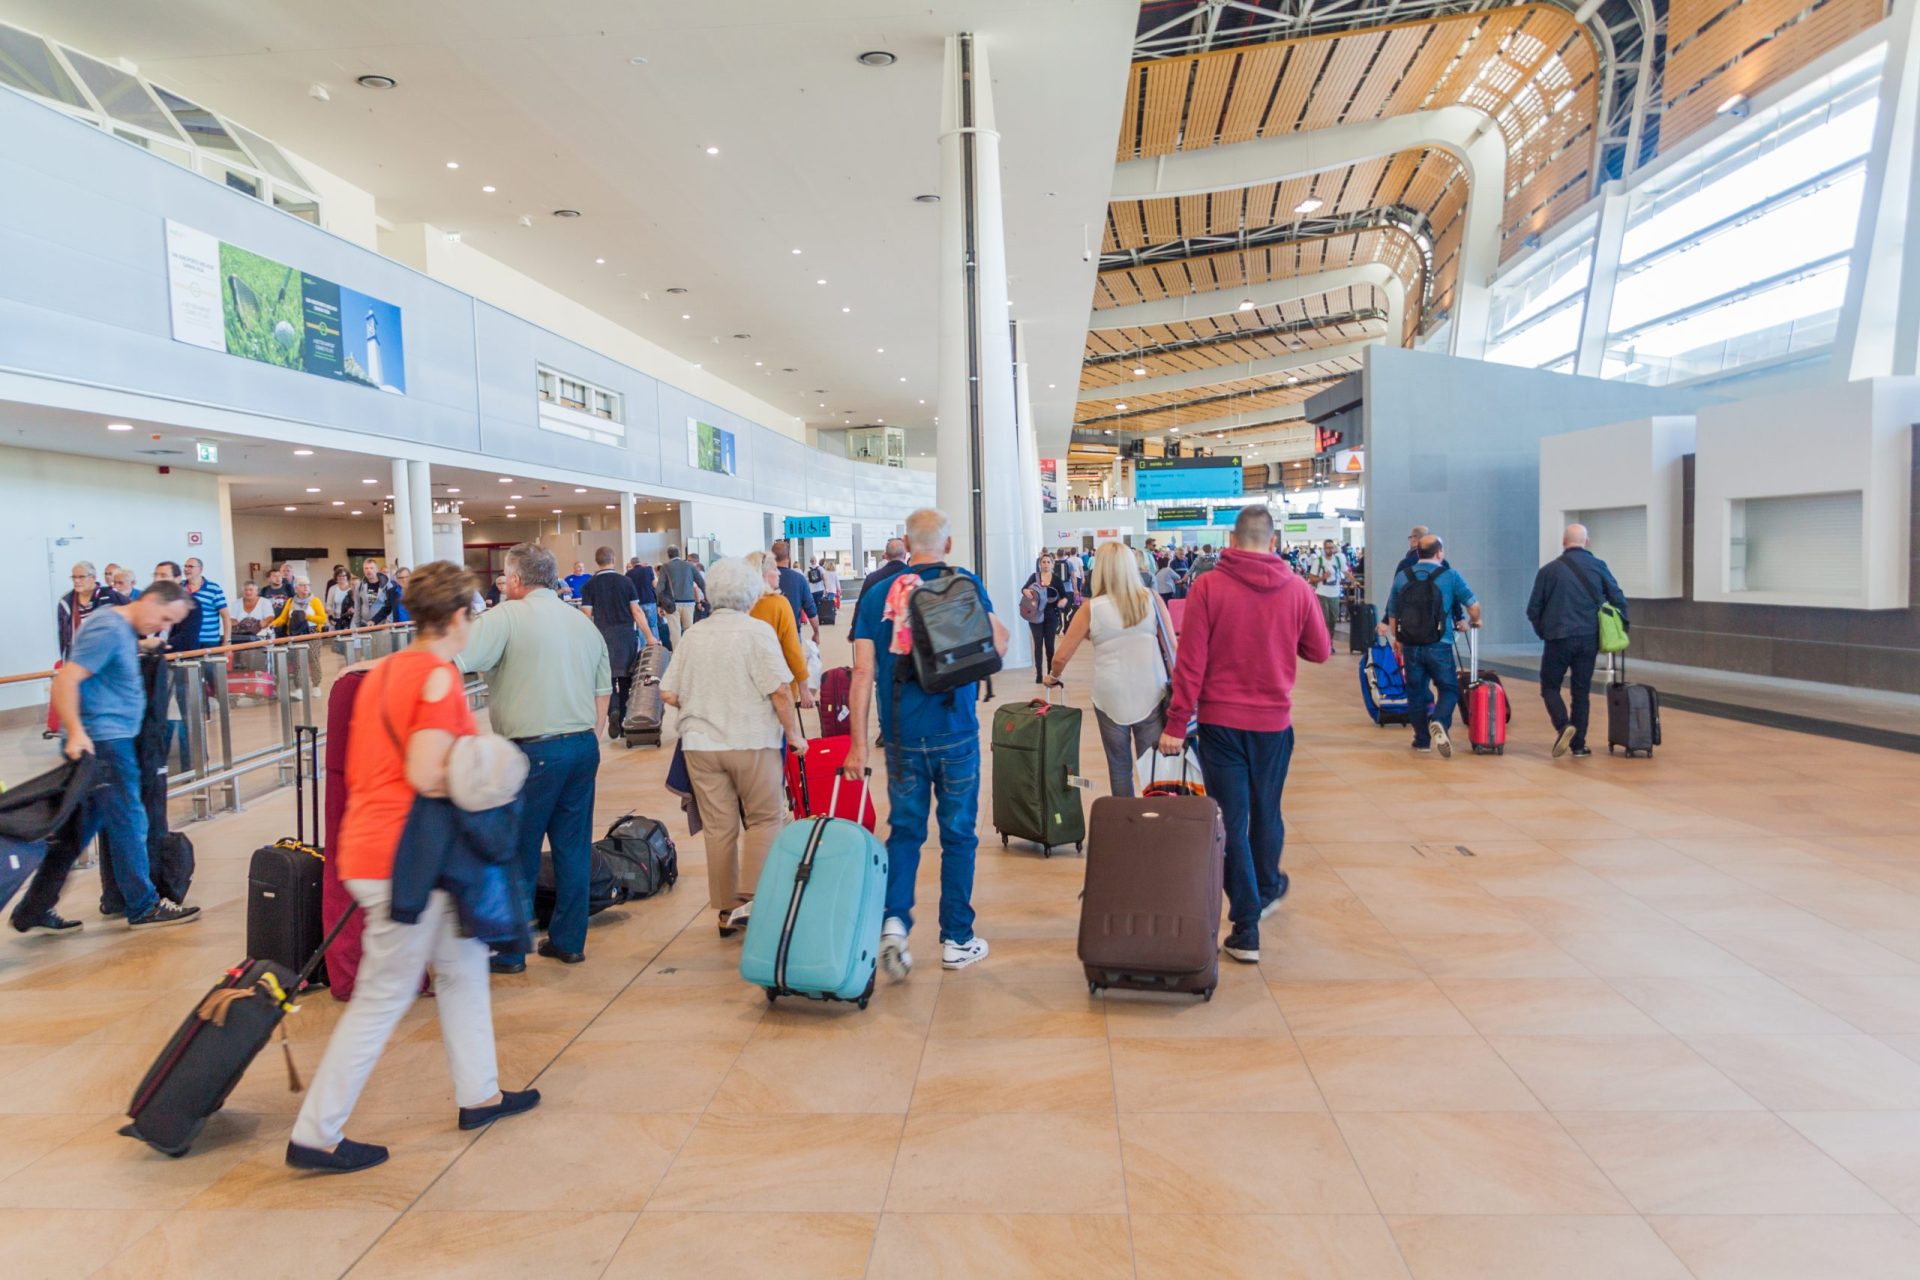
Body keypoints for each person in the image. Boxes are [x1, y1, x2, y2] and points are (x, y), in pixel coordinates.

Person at [286, 561, 539, 1174]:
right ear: (459, 617)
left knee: (462, 967)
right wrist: (488, 764)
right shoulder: (435, 676)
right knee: (382, 996)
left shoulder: (385, 669)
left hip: (385, 850)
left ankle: (480, 1093)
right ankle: (316, 1133)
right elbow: (428, 773)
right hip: (408, 858)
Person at [1158, 505, 1330, 964]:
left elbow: (1190, 663)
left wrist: (1177, 723)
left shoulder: (1207, 587)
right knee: (1267, 812)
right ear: (1273, 541)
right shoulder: (1296, 588)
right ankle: (1268, 885)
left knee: (1231, 819)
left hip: (1220, 725)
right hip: (1273, 724)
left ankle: (1247, 927)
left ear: (1232, 541)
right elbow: (1321, 650)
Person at [846, 507, 1009, 978]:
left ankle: (894, 923)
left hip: (900, 735)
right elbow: (998, 642)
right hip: (955, 729)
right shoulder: (964, 583)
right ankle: (957, 938)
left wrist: (858, 745)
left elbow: (862, 672)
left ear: (905, 542)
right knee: (959, 835)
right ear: (948, 545)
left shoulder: (877, 594)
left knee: (906, 831)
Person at [457, 542, 610, 971]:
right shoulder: (582, 623)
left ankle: (508, 951)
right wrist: (588, 741)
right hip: (581, 746)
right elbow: (603, 692)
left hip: (533, 751)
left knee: (516, 850)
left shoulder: (504, 616)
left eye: (506, 578)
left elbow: (455, 660)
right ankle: (568, 941)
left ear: (517, 581)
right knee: (573, 849)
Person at [16, 579, 200, 933]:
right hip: (103, 745)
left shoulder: (118, 629)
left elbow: (106, 666)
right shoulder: (108, 627)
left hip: (105, 742)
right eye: (162, 617)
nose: (162, 626)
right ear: (147, 601)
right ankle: (143, 905)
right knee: (130, 820)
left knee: (74, 834)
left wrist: (143, 646)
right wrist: (77, 732)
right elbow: (66, 680)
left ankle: (33, 909)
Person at [660, 557, 810, 937]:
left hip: (701, 747)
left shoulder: (694, 634)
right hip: (751, 742)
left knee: (719, 827)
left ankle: (727, 909)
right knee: (764, 819)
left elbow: (669, 692)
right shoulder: (757, 632)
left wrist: (705, 699)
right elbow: (778, 689)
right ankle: (753, 900)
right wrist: (794, 736)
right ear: (751, 592)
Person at [1045, 541, 1173, 796]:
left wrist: (1053, 676)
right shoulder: (1152, 600)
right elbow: (1172, 649)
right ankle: (1157, 824)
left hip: (1109, 696)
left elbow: (1061, 656)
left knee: (1119, 768)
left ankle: (1126, 827)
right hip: (1152, 691)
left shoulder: (1090, 609)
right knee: (1154, 768)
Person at [1527, 522, 1628, 759]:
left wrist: (1545, 631)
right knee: (1581, 692)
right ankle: (1579, 745)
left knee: (1550, 686)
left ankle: (1564, 726)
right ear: (1587, 542)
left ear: (1564, 542)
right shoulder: (1598, 567)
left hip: (1558, 638)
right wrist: (1620, 627)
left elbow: (1533, 609)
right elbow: (1618, 599)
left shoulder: (1548, 571)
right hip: (1588, 638)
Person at [1380, 535, 1481, 757]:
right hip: (1439, 643)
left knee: (1415, 692)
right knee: (1449, 689)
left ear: (1417, 553)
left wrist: (1397, 639)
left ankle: (1422, 740)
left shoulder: (1402, 576)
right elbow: (1473, 605)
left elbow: (1393, 611)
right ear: (1440, 553)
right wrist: (1476, 620)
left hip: (1410, 645)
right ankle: (1439, 721)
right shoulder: (1450, 575)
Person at [579, 545, 653, 736]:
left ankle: (613, 710)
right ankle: (623, 724)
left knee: (608, 679)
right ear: (613, 559)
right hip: (626, 635)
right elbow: (636, 611)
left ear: (597, 561)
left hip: (603, 637)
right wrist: (650, 637)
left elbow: (586, 615)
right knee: (626, 679)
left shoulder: (589, 585)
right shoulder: (626, 582)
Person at [742, 550, 814, 710]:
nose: (779, 573)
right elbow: (792, 651)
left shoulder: (740, 605)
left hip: (745, 688)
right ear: (763, 574)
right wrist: (804, 687)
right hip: (777, 686)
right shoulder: (778, 604)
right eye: (774, 569)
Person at [56, 561, 115, 662]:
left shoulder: (109, 596)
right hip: (79, 659)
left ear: (93, 578)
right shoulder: (66, 603)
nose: (76, 581)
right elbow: (64, 639)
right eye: (74, 577)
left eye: (81, 577)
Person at [1021, 553, 1063, 684]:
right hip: (1035, 615)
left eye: (1048, 562)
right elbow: (1024, 588)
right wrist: (1025, 591)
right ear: (1040, 564)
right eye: (1043, 562)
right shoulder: (1034, 577)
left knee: (1050, 646)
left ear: (1052, 564)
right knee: (1038, 644)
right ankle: (1039, 674)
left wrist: (1064, 601)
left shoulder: (1056, 579)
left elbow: (1064, 595)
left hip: (1051, 615)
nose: (1046, 564)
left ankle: (1050, 673)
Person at [770, 539, 820, 645]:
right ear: (788, 557)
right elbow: (811, 610)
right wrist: (816, 632)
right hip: (792, 635)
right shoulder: (799, 579)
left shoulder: (762, 578)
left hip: (767, 636)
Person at [659, 545, 707, 646]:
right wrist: (707, 598)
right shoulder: (690, 566)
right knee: (688, 631)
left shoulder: (665, 567)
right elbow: (701, 583)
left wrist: (659, 605)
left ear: (668, 555)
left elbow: (660, 588)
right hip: (689, 602)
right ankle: (688, 654)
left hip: (672, 604)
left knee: (675, 632)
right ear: (679, 554)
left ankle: (677, 657)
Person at [1307, 539, 1350, 641]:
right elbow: (1311, 579)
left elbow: (1346, 572)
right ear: (1324, 549)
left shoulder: (1338, 560)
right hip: (1322, 594)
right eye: (1328, 548)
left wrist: (1354, 581)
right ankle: (1324, 643)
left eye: (1332, 547)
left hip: (1335, 594)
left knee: (1333, 620)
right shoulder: (1318, 561)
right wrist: (1323, 577)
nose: (1330, 550)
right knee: (1324, 620)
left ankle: (1329, 642)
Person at [352, 559, 399, 632]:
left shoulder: (388, 586)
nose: (369, 570)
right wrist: (357, 624)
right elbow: (357, 605)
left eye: (371, 568)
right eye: (366, 568)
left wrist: (388, 624)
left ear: (377, 569)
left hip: (382, 625)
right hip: (364, 625)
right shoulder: (359, 586)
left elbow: (391, 607)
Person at [859, 538, 910, 603]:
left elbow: (861, 606)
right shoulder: (913, 576)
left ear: (886, 556)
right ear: (905, 555)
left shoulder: (872, 578)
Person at [625, 555, 661, 642]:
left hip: (637, 604)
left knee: (641, 626)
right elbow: (654, 585)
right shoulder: (648, 569)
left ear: (632, 564)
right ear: (640, 562)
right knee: (653, 625)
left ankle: (643, 648)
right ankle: (655, 645)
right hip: (650, 601)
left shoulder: (628, 574)